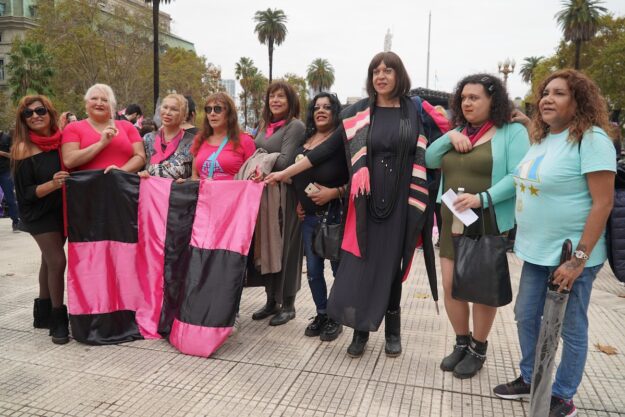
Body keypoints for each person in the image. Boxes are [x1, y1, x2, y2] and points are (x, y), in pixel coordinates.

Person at [266, 52, 440, 357]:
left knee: (392, 266)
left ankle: (393, 330)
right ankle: (360, 330)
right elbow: (321, 152)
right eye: (376, 71)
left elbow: (443, 139)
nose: (381, 76)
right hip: (364, 203)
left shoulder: (413, 111)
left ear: (399, 75)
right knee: (362, 265)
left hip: (400, 203)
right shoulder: (358, 114)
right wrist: (283, 173)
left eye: (388, 70)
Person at [492, 69, 616, 417]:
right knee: (526, 316)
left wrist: (578, 260)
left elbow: (603, 203)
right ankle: (532, 377)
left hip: (571, 256)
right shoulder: (542, 138)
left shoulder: (591, 139)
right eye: (545, 93)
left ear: (579, 101)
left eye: (559, 93)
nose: (547, 99)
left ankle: (562, 395)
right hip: (535, 252)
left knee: (569, 327)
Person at [425, 74, 530, 378]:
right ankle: (461, 342)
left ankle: (478, 348)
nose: (467, 103)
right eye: (463, 98)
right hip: (452, 218)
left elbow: (518, 175)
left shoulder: (512, 132)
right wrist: (449, 136)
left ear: (493, 100)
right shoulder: (458, 132)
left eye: (475, 97)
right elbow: (430, 159)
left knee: (481, 288)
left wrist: (482, 199)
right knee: (451, 285)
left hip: (487, 218)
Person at [269, 92, 348, 340]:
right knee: (313, 271)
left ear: (336, 112)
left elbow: (356, 178)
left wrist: (334, 192)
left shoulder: (340, 140)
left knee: (338, 271)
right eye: (316, 107)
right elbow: (297, 175)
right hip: (309, 218)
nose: (321, 111)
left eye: (327, 107)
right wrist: (298, 200)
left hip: (334, 216)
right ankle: (322, 313)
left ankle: (336, 318)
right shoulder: (306, 140)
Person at [11, 95, 70, 344]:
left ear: (50, 112)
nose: (35, 116)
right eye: (28, 113)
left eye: (40, 110)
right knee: (57, 260)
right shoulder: (22, 148)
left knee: (48, 260)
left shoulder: (62, 141)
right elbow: (24, 193)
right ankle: (58, 319)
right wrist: (52, 184)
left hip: (61, 209)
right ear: (23, 120)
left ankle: (42, 314)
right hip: (37, 212)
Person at [250, 81, 306, 326]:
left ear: (291, 101)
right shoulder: (264, 126)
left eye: (281, 96)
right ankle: (271, 300)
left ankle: (289, 304)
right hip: (264, 194)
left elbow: (284, 162)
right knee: (268, 245)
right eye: (272, 96)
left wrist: (259, 159)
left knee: (287, 248)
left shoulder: (295, 126)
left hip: (286, 194)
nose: (275, 100)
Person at [61, 84, 146, 173]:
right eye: (94, 98)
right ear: (86, 104)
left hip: (123, 180)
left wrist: (120, 172)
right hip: (88, 181)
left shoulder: (127, 126)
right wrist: (101, 143)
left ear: (112, 106)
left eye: (105, 100)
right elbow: (69, 161)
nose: (99, 103)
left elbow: (140, 157)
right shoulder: (72, 128)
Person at [190, 92, 256, 181]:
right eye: (208, 109)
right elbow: (194, 176)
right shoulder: (199, 139)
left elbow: (252, 177)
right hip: (204, 190)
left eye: (217, 109)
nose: (212, 113)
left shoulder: (245, 141)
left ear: (229, 113)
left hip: (234, 190)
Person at [139, 94, 194, 180]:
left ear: (184, 115)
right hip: (149, 187)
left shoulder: (193, 142)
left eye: (174, 109)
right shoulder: (148, 139)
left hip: (177, 188)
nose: (167, 113)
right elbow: (139, 167)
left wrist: (186, 181)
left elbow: (197, 175)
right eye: (165, 107)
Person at [0, 128, 20, 232]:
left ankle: (16, 222)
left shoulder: (7, 138)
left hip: (5, 172)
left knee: (10, 198)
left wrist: (1, 153)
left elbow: (14, 155)